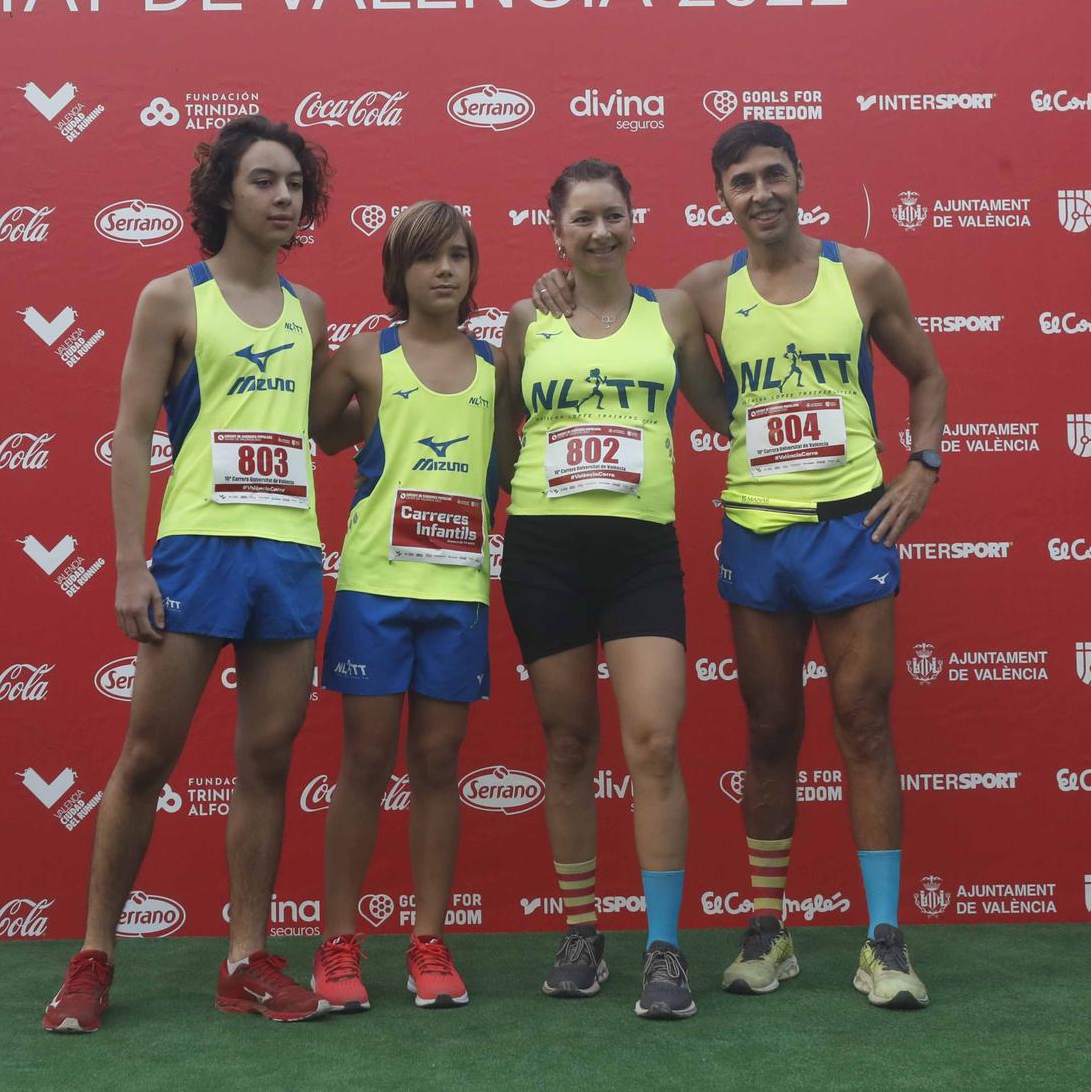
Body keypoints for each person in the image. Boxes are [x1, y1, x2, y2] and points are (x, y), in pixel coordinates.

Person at [535, 120, 947, 1009]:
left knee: (864, 722)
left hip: (851, 527)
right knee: (769, 729)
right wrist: (559, 281)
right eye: (740, 183)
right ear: (720, 197)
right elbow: (643, 339)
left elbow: (927, 371)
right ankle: (769, 928)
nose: (759, 193)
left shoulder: (863, 274)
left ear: (800, 178)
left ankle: (884, 938)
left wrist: (922, 465)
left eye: (773, 176)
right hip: (758, 533)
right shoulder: (699, 296)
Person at [43, 115, 343, 1033]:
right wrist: (130, 563)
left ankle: (246, 958)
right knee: (147, 758)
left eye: (294, 182)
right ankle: (93, 958)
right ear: (222, 194)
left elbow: (327, 429)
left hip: (289, 553)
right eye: (264, 180)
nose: (284, 195)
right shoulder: (172, 298)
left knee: (265, 760)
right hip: (195, 552)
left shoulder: (313, 311)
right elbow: (132, 433)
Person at [496, 159, 730, 1021]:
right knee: (567, 743)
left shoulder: (671, 311)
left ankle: (662, 944)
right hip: (544, 550)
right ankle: (583, 932)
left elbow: (724, 409)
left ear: (636, 220)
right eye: (582, 220)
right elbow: (499, 432)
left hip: (641, 553)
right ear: (555, 231)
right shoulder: (529, 316)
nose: (600, 232)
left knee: (655, 742)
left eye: (613, 216)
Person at [305, 201, 501, 1014]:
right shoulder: (365, 353)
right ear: (399, 274)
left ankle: (428, 939)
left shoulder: (500, 366)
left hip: (457, 593)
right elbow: (322, 430)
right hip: (376, 588)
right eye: (426, 258)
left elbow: (513, 463)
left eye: (457, 255)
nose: (444, 271)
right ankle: (339, 942)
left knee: (438, 764)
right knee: (364, 760)